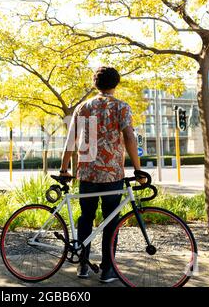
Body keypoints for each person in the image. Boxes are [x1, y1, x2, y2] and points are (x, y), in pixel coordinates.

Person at [59, 66, 144, 283]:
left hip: (87, 173)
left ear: (95, 84)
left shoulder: (83, 107)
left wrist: (64, 168)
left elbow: (71, 140)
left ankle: (83, 266)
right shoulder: (122, 107)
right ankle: (108, 270)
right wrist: (137, 168)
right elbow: (129, 138)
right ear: (116, 83)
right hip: (112, 175)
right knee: (110, 222)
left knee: (86, 218)